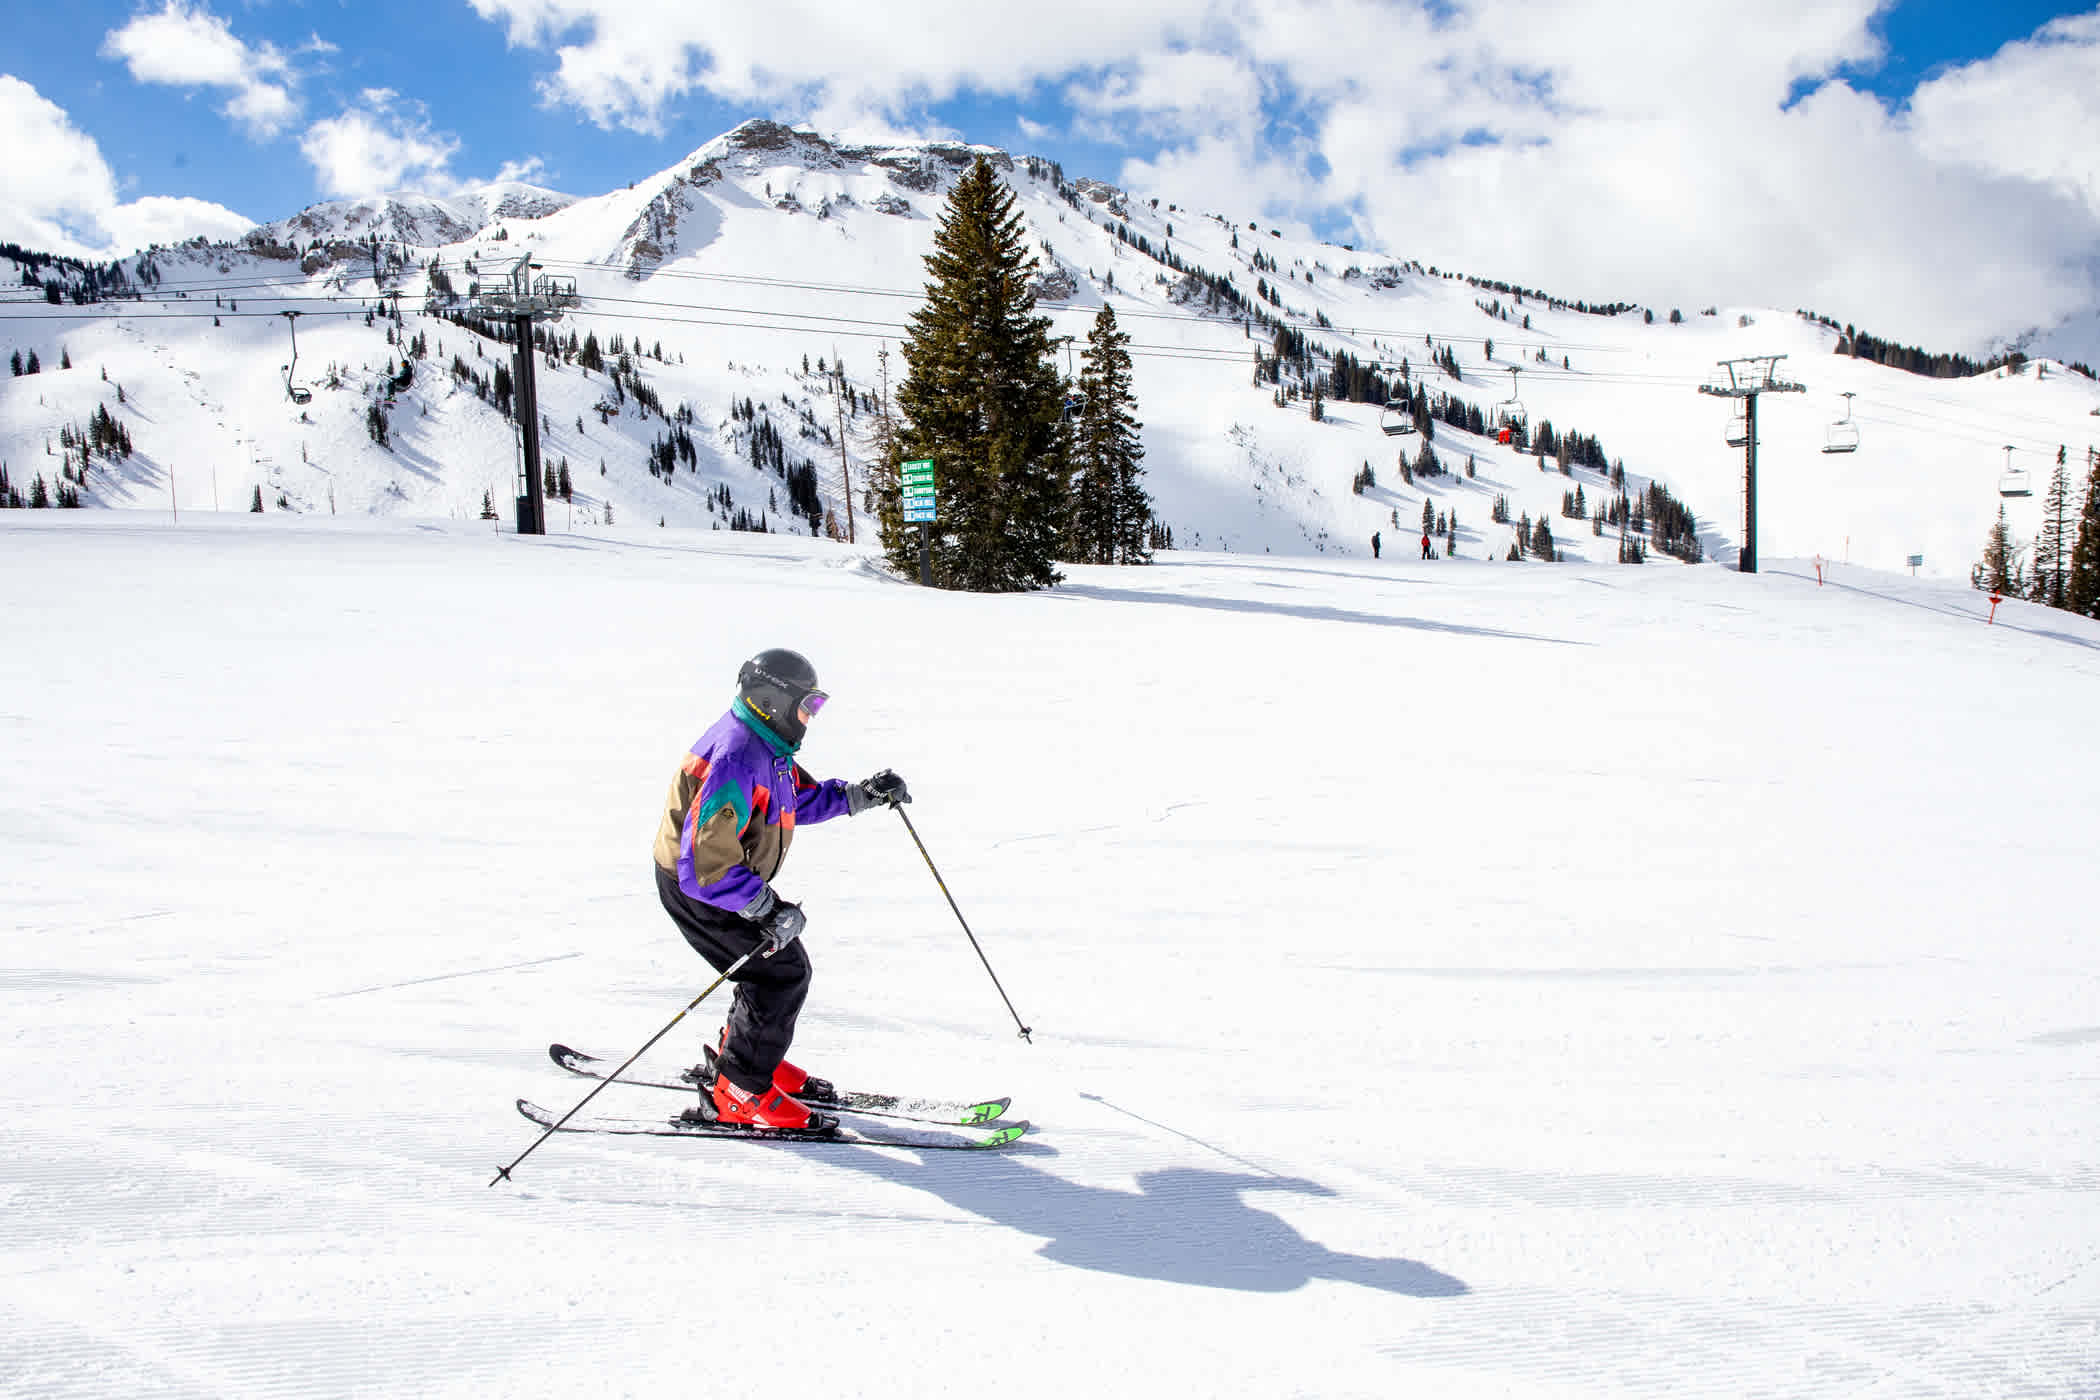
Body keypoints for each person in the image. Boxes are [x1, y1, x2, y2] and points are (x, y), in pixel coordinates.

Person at [652, 648, 910, 1131]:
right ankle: (741, 1089)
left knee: (770, 968)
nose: (810, 718)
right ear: (771, 700)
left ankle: (744, 1056)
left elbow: (797, 800)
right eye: (807, 705)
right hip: (705, 889)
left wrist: (863, 795)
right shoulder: (737, 756)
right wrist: (766, 908)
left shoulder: (765, 747)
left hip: (722, 883)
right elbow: (705, 862)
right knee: (781, 973)